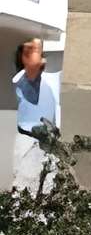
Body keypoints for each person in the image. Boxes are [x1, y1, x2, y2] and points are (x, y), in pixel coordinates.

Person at [11, 36, 60, 195]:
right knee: (25, 196)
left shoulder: (47, 79)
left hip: (48, 144)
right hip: (30, 143)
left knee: (49, 194)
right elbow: (33, 67)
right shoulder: (23, 78)